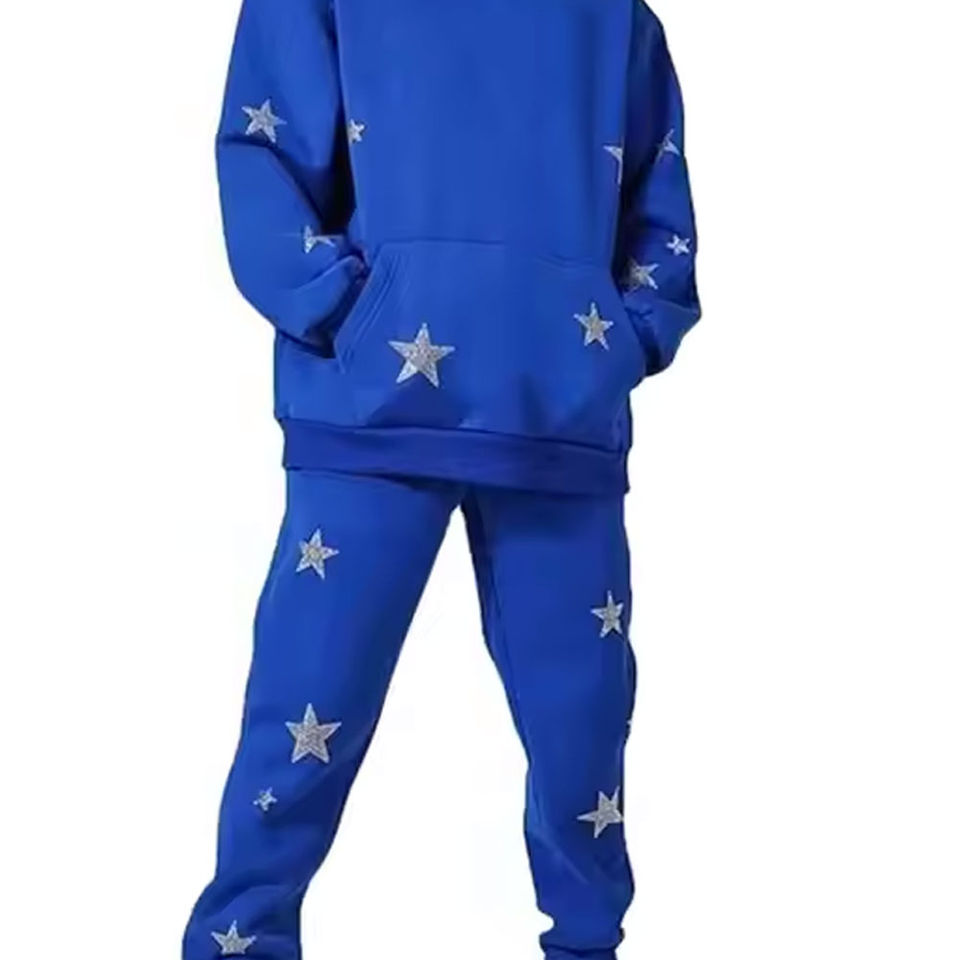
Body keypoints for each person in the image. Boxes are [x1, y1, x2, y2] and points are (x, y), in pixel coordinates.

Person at [184, 0, 700, 957]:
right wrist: (344, 310)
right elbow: (261, 156)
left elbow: (658, 198)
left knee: (585, 732)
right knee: (302, 717)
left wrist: (621, 341)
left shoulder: (617, 15)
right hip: (366, 416)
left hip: (560, 421)